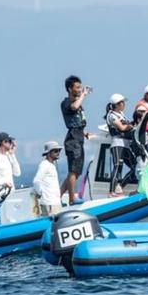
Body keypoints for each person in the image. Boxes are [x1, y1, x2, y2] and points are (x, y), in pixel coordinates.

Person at [60, 75, 90, 205]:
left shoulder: (78, 103)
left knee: (76, 171)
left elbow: (77, 121)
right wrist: (83, 95)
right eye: (77, 87)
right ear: (69, 89)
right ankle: (72, 198)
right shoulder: (67, 102)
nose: (79, 89)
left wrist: (84, 132)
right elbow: (73, 107)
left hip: (79, 137)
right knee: (73, 170)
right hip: (73, 140)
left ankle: (58, 196)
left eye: (80, 87)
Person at [104, 93, 135, 196]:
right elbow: (121, 128)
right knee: (117, 166)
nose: (124, 104)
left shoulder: (121, 114)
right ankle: (111, 191)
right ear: (117, 104)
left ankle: (120, 186)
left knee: (135, 167)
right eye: (122, 102)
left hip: (125, 144)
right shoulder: (112, 115)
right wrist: (133, 125)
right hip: (117, 144)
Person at [33, 141, 63, 216]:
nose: (58, 153)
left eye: (59, 151)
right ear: (49, 153)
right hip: (49, 204)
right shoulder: (44, 165)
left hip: (55, 203)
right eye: (56, 151)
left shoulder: (51, 165)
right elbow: (36, 181)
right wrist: (41, 193)